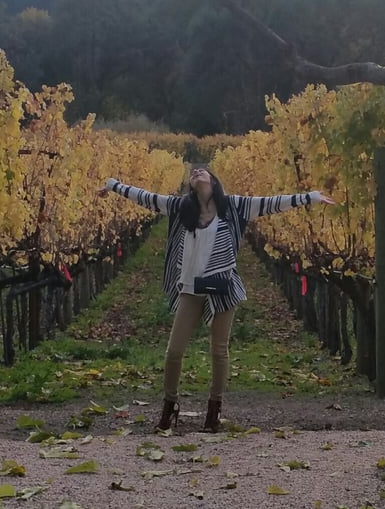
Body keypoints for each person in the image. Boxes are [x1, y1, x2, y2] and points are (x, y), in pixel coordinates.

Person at [101, 167, 335, 433]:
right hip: (190, 288)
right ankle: (170, 404)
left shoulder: (234, 206)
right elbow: (146, 198)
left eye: (203, 171)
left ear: (213, 181)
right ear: (191, 185)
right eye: (194, 172)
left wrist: (311, 197)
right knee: (174, 351)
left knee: (219, 350)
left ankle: (214, 410)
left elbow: (272, 203)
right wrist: (113, 185)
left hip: (222, 288)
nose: (197, 172)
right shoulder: (180, 208)